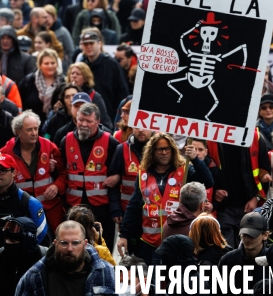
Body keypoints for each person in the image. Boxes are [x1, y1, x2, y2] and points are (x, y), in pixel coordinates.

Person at [117, 132, 214, 263]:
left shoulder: (184, 171)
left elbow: (208, 182)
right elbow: (133, 207)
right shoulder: (143, 175)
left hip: (177, 242)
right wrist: (124, 235)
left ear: (172, 150)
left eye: (167, 149)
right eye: (160, 149)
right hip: (149, 243)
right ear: (152, 151)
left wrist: (195, 160)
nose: (164, 152)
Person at [0, 153, 47, 280]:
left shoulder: (30, 203)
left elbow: (40, 237)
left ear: (14, 173)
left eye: (3, 170)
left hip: (20, 272)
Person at [59, 103, 119, 251]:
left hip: (101, 208)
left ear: (98, 122)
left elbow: (121, 167)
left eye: (89, 121)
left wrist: (117, 176)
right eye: (81, 120)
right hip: (74, 207)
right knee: (74, 248)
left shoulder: (110, 142)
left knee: (102, 249)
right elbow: (61, 171)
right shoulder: (65, 140)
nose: (84, 124)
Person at [0, 110, 66, 231]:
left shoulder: (49, 147)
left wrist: (56, 186)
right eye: (29, 130)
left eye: (36, 129)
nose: (34, 133)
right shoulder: (6, 152)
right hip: (20, 211)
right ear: (18, 131)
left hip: (50, 210)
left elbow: (64, 173)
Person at [15, 220, 116, 296]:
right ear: (56, 244)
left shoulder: (105, 272)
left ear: (85, 244)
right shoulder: (35, 275)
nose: (70, 249)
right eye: (64, 243)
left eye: (75, 243)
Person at [0, 216, 48, 296]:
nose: (8, 244)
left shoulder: (45, 260)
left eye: (13, 241)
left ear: (28, 242)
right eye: (6, 239)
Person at [107, 126, 153, 237]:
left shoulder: (161, 150)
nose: (141, 130)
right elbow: (113, 184)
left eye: (145, 127)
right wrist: (115, 209)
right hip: (128, 213)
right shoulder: (121, 150)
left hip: (154, 214)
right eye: (137, 126)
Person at [79, 29, 128, 123]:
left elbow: (122, 92)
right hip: (87, 118)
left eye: (91, 43)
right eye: (85, 44)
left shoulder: (111, 64)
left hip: (110, 117)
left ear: (99, 44)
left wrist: (119, 117)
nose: (88, 46)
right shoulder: (82, 65)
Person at [218, 212, 270, 295]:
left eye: (252, 235)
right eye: (244, 234)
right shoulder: (227, 261)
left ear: (265, 235)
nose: (246, 238)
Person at [18, 49, 65, 124]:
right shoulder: (29, 81)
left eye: (53, 63)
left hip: (55, 124)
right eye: (46, 63)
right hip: (31, 124)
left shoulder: (63, 82)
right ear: (40, 65)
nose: (50, 66)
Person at [66, 61, 112, 130]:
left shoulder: (95, 97)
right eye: (72, 73)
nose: (74, 76)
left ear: (85, 78)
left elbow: (105, 122)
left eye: (78, 74)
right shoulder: (65, 93)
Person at [43, 5, 74, 73]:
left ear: (54, 17)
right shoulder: (41, 32)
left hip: (61, 66)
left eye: (48, 17)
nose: (46, 20)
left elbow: (70, 51)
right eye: (44, 18)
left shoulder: (63, 32)